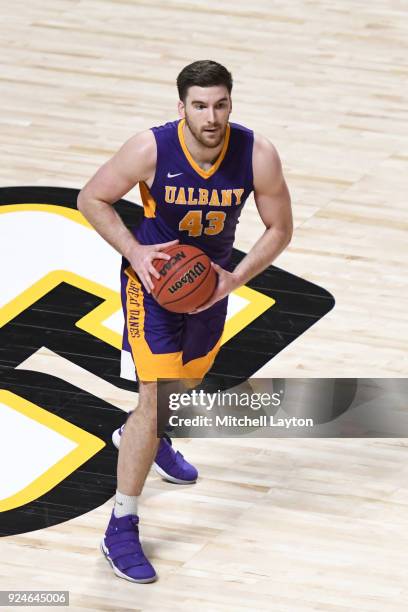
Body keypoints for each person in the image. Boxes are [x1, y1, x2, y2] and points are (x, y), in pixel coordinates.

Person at [77, 59, 293, 583]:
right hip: (151, 287)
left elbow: (280, 228)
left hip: (209, 286)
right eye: (200, 105)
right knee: (155, 396)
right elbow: (92, 198)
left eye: (220, 104)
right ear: (182, 108)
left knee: (181, 389)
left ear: (231, 104)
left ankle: (148, 437)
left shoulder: (256, 153)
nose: (211, 115)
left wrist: (233, 280)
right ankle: (120, 527)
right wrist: (135, 250)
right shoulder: (150, 148)